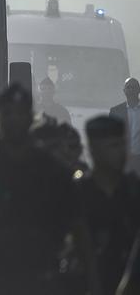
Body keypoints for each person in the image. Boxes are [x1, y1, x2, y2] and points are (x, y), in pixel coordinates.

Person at [0, 83, 99, 295]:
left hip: (45, 281)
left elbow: (80, 233)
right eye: (8, 113)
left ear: (30, 117)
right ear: (0, 118)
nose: (15, 120)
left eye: (21, 113)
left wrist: (92, 287)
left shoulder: (53, 172)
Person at [78, 114, 140, 295]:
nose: (121, 152)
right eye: (113, 146)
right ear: (93, 150)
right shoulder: (77, 193)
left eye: (122, 144)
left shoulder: (134, 191)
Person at [111, 77, 140, 167]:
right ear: (124, 90)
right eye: (128, 87)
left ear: (139, 90)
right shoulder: (115, 111)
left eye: (133, 87)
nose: (131, 90)